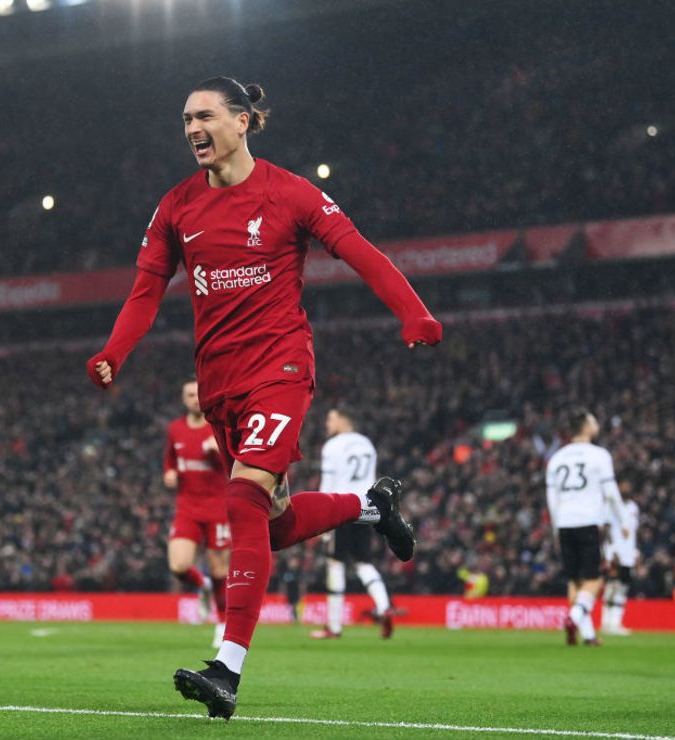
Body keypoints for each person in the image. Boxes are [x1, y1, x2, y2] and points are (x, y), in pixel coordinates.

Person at [86, 76, 441, 719]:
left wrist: (413, 314)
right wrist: (115, 351)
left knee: (243, 499)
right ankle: (371, 504)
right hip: (220, 384)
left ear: (243, 121)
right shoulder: (176, 207)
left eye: (206, 116)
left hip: (279, 367)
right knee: (270, 528)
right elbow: (145, 291)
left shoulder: (291, 193)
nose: (193, 128)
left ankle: (227, 667)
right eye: (186, 119)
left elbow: (360, 252)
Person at [310, 407, 399, 640]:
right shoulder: (367, 444)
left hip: (341, 506)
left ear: (343, 419)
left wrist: (319, 519)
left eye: (331, 418)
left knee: (335, 563)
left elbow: (327, 485)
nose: (327, 422)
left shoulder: (332, 446)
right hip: (366, 507)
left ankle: (334, 627)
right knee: (362, 562)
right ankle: (383, 607)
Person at [545, 409, 626, 647]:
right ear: (586, 427)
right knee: (594, 580)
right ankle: (574, 617)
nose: (596, 423)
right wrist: (623, 522)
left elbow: (552, 499)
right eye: (593, 420)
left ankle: (588, 635)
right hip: (588, 521)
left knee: (574, 581)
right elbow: (611, 493)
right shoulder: (599, 455)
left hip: (564, 523)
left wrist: (555, 528)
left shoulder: (557, 458)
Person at [165, 377, 230, 648]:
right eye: (189, 395)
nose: (194, 398)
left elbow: (235, 464)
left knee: (220, 569)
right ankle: (201, 586)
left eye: (197, 394)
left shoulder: (218, 429)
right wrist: (168, 473)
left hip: (218, 508)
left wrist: (220, 452)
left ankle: (223, 624)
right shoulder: (175, 429)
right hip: (188, 508)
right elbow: (170, 460)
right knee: (178, 566)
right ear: (184, 399)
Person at [601, 493, 639, 636]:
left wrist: (635, 552)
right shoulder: (611, 505)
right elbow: (606, 529)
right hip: (615, 553)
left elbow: (633, 531)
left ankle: (615, 622)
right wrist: (610, 551)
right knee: (612, 586)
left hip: (628, 554)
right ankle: (607, 622)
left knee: (622, 588)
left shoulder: (633, 507)